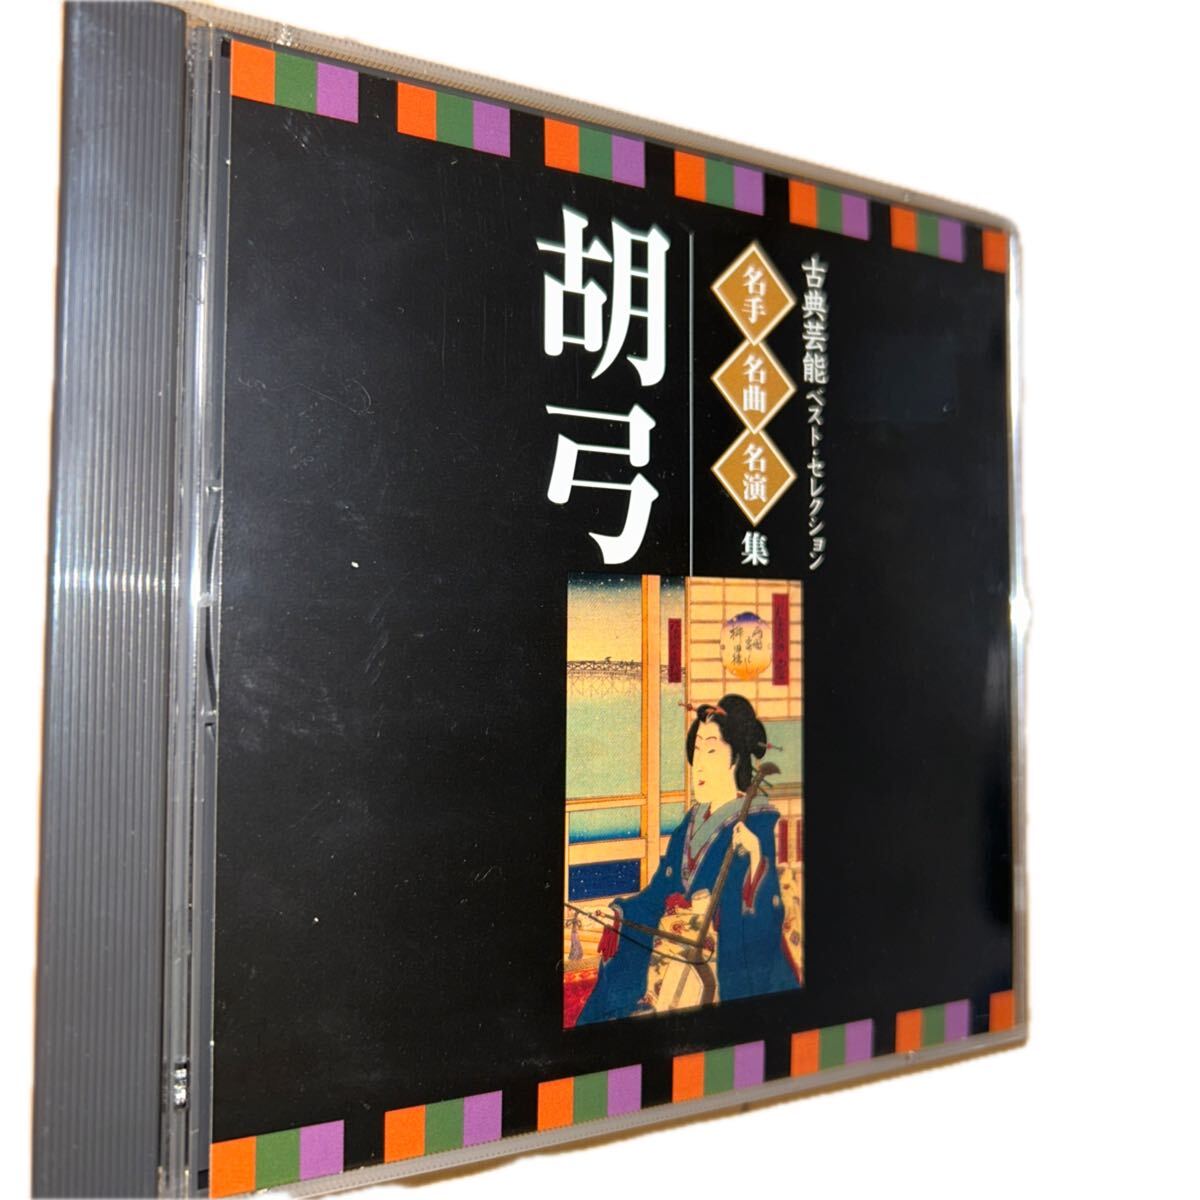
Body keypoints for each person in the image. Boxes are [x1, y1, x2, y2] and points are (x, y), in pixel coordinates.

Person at [576, 693, 800, 1024]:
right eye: (696, 750)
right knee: (626, 935)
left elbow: (759, 911)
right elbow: (661, 888)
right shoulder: (691, 821)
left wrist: (754, 858)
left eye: (711, 750)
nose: (700, 764)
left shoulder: (756, 822)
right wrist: (623, 911)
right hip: (684, 929)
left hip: (728, 947)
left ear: (736, 758)